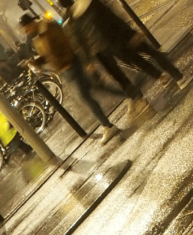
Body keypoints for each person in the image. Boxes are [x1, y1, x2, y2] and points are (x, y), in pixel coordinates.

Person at [71, 0, 191, 114]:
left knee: (140, 62)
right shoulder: (94, 3)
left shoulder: (78, 14)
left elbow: (85, 39)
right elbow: (113, 20)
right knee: (152, 53)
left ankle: (162, 78)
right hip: (124, 36)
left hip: (113, 46)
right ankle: (179, 77)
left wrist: (90, 59)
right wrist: (132, 34)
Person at [19, 13, 120, 144]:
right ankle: (130, 95)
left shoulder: (49, 27)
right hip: (65, 69)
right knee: (96, 89)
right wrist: (36, 62)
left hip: (71, 65)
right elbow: (47, 55)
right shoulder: (37, 37)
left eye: (27, 28)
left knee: (84, 97)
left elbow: (65, 42)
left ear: (32, 23)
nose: (27, 32)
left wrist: (67, 62)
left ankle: (108, 126)